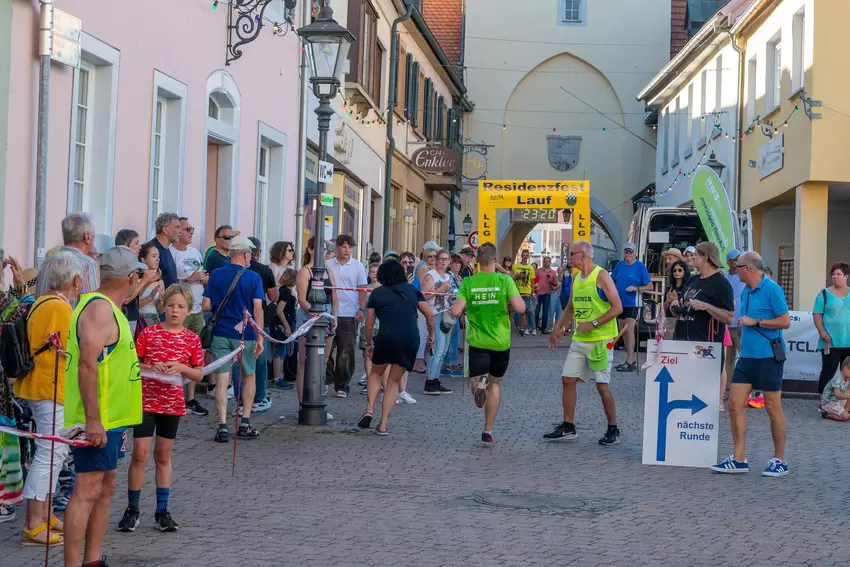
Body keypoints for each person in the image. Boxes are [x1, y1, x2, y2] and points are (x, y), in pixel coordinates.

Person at [63, 246, 144, 567]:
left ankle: (92, 560)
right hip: (97, 418)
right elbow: (86, 364)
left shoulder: (108, 307)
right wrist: (93, 420)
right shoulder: (99, 309)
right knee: (87, 489)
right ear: (130, 278)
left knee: (106, 485)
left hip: (113, 417)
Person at [118, 284, 204, 533]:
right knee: (140, 454)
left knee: (163, 456)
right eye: (170, 305)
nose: (175, 311)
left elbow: (198, 373)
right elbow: (134, 362)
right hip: (146, 401)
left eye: (180, 307)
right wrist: (150, 367)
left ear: (188, 311)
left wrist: (181, 368)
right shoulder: (150, 333)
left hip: (172, 403)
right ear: (163, 306)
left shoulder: (191, 339)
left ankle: (162, 510)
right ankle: (132, 510)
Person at [12, 253, 81, 544]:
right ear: (75, 281)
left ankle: (45, 514)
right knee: (49, 454)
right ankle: (34, 522)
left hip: (48, 386)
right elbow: (69, 350)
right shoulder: (59, 308)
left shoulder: (46, 302)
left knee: (55, 453)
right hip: (50, 387)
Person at [712, 251, 790, 477]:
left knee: (773, 408)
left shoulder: (772, 289)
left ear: (749, 268)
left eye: (738, 267)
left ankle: (779, 459)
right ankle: (738, 458)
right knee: (735, 404)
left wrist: (756, 321)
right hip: (747, 357)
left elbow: (784, 321)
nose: (735, 270)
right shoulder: (745, 291)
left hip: (769, 357)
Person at [545, 240, 623, 446]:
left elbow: (617, 307)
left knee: (602, 386)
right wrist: (558, 326)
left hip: (601, 340)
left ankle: (613, 428)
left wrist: (594, 323)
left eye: (572, 254)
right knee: (568, 379)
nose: (569, 258)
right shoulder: (577, 277)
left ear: (583, 255)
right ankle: (568, 427)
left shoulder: (602, 276)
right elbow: (571, 307)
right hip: (580, 340)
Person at [451, 243, 525, 445]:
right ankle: (487, 430)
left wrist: (467, 308)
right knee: (495, 384)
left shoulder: (469, 282)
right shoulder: (505, 280)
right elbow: (520, 307)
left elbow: (455, 312)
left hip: (478, 341)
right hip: (501, 342)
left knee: (478, 378)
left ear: (476, 260)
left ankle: (478, 387)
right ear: (495, 259)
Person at [358, 260, 434, 435]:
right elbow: (429, 315)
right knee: (393, 382)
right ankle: (383, 425)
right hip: (409, 338)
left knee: (376, 373)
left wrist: (369, 343)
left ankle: (369, 409)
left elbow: (369, 323)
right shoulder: (413, 290)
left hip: (386, 337)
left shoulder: (377, 293)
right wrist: (431, 335)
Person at [202, 234, 265, 442]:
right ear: (245, 254)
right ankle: (245, 421)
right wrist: (260, 337)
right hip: (245, 334)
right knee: (249, 376)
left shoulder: (217, 274)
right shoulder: (253, 277)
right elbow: (257, 309)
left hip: (221, 332)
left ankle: (222, 426)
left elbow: (206, 306)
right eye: (250, 255)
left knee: (222, 379)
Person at [228, 237, 277, 414]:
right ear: (255, 252)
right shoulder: (263, 271)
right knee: (258, 362)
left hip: (231, 322)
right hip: (256, 322)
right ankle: (259, 397)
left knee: (235, 363)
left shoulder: (223, 271)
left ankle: (240, 400)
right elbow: (272, 297)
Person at [170, 217, 209, 416]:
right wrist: (189, 278)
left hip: (197, 310)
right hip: (181, 311)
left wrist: (203, 279)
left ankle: (191, 398)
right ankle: (175, 395)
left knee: (195, 353)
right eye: (187, 229)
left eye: (192, 229)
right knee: (177, 352)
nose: (191, 232)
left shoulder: (195, 252)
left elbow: (200, 273)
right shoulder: (172, 253)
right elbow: (170, 281)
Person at [295, 237, 338, 413]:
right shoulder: (305, 271)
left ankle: (319, 401)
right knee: (305, 361)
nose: (323, 253)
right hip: (309, 316)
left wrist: (334, 316)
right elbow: (302, 298)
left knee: (323, 361)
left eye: (325, 249)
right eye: (319, 248)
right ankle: (302, 403)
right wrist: (312, 312)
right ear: (310, 250)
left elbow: (334, 295)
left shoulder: (328, 270)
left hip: (326, 314)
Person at [323, 235, 367, 397]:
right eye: (343, 246)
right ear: (337, 248)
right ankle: (328, 379)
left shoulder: (357, 266)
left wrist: (361, 309)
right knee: (325, 349)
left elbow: (362, 288)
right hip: (329, 312)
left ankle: (342, 385)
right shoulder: (328, 265)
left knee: (346, 351)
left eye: (349, 247)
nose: (347, 250)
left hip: (349, 313)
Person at [672, 242, 734, 345]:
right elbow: (686, 306)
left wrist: (706, 306)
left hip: (706, 347)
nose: (692, 258)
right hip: (684, 342)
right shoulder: (693, 279)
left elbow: (729, 318)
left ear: (705, 257)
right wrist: (676, 307)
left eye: (695, 254)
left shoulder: (721, 283)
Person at [35, 213, 100, 301]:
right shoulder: (88, 265)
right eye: (93, 235)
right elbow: (91, 306)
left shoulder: (46, 264)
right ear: (87, 237)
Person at [610, 242, 652, 371]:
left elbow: (650, 286)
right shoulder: (619, 265)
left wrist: (636, 288)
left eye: (630, 252)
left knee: (628, 330)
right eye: (626, 251)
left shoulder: (640, 267)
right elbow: (612, 280)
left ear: (635, 253)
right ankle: (629, 360)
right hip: (619, 302)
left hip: (632, 302)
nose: (628, 254)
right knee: (622, 331)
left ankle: (631, 360)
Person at [813, 262, 850, 399]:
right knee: (828, 371)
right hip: (830, 341)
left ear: (846, 276)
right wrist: (822, 332)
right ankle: (824, 400)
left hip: (849, 341)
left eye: (838, 274)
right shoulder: (824, 294)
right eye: (833, 274)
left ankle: (845, 401)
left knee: (848, 373)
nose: (835, 277)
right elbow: (817, 314)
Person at [420, 250, 454, 395]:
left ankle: (436, 378)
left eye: (446, 259)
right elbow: (424, 296)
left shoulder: (449, 276)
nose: (443, 261)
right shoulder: (430, 276)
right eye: (440, 259)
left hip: (448, 315)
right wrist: (441, 288)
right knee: (437, 349)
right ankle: (430, 380)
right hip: (436, 314)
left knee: (444, 351)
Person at [724, 249, 746, 402]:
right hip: (726, 323)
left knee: (744, 356)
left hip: (741, 322)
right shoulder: (724, 277)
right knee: (728, 359)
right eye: (734, 259)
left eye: (739, 258)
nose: (737, 262)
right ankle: (728, 388)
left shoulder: (744, 276)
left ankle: (747, 390)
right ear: (728, 262)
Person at [271, 268, 298, 390]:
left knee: (281, 351)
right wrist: (287, 326)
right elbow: (280, 310)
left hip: (282, 324)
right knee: (280, 352)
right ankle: (277, 378)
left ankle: (278, 376)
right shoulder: (286, 292)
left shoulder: (283, 290)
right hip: (283, 325)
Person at [137, 243, 165, 326]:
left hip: (154, 319)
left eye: (158, 256)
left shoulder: (160, 281)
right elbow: (132, 305)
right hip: (139, 319)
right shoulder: (136, 279)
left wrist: (161, 301)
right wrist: (150, 298)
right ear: (143, 259)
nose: (157, 259)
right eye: (154, 256)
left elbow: (160, 309)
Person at [663, 260, 691, 340]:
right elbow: (664, 309)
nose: (676, 272)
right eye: (674, 270)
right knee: (668, 346)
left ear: (685, 271)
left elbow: (688, 305)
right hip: (670, 320)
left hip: (682, 320)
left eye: (680, 270)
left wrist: (676, 301)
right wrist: (668, 301)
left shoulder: (688, 287)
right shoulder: (669, 287)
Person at [511, 250, 535, 336]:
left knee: (525, 311)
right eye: (524, 255)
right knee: (517, 311)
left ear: (528, 256)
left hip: (527, 292)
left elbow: (532, 281)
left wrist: (533, 293)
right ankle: (520, 326)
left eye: (526, 255)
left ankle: (523, 328)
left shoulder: (531, 268)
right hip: (517, 291)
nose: (525, 256)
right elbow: (511, 278)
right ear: (521, 256)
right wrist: (518, 276)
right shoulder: (515, 266)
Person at [535, 256, 558, 333]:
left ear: (550, 262)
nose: (546, 262)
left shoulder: (553, 272)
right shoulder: (538, 271)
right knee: (536, 311)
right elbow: (534, 280)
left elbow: (555, 284)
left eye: (548, 261)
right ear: (543, 262)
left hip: (547, 293)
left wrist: (551, 281)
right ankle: (534, 327)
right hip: (538, 293)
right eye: (545, 261)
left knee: (545, 312)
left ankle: (543, 328)